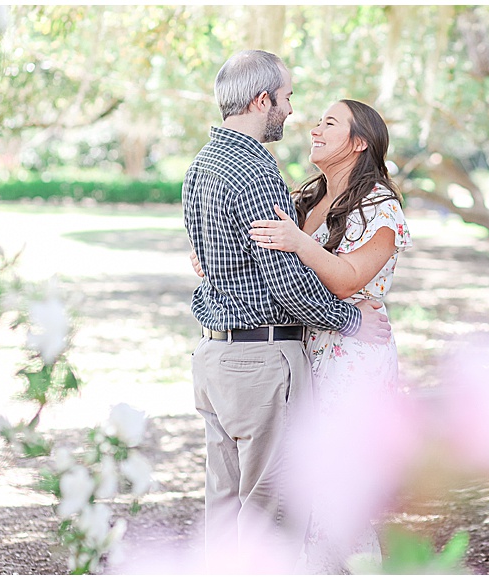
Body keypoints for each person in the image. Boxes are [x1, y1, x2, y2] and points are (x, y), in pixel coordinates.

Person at [181, 51, 392, 572]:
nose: (292, 112)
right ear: (261, 100)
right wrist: (351, 321)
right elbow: (283, 279)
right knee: (272, 512)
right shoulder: (255, 170)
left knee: (224, 506)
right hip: (261, 359)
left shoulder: (199, 166)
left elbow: (206, 259)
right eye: (288, 98)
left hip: (214, 355)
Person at [247, 98, 412, 573]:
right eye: (317, 121)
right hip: (303, 351)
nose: (315, 128)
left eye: (330, 123)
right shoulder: (306, 200)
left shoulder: (381, 206)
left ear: (359, 143)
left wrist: (298, 242)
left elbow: (346, 279)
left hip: (353, 359)